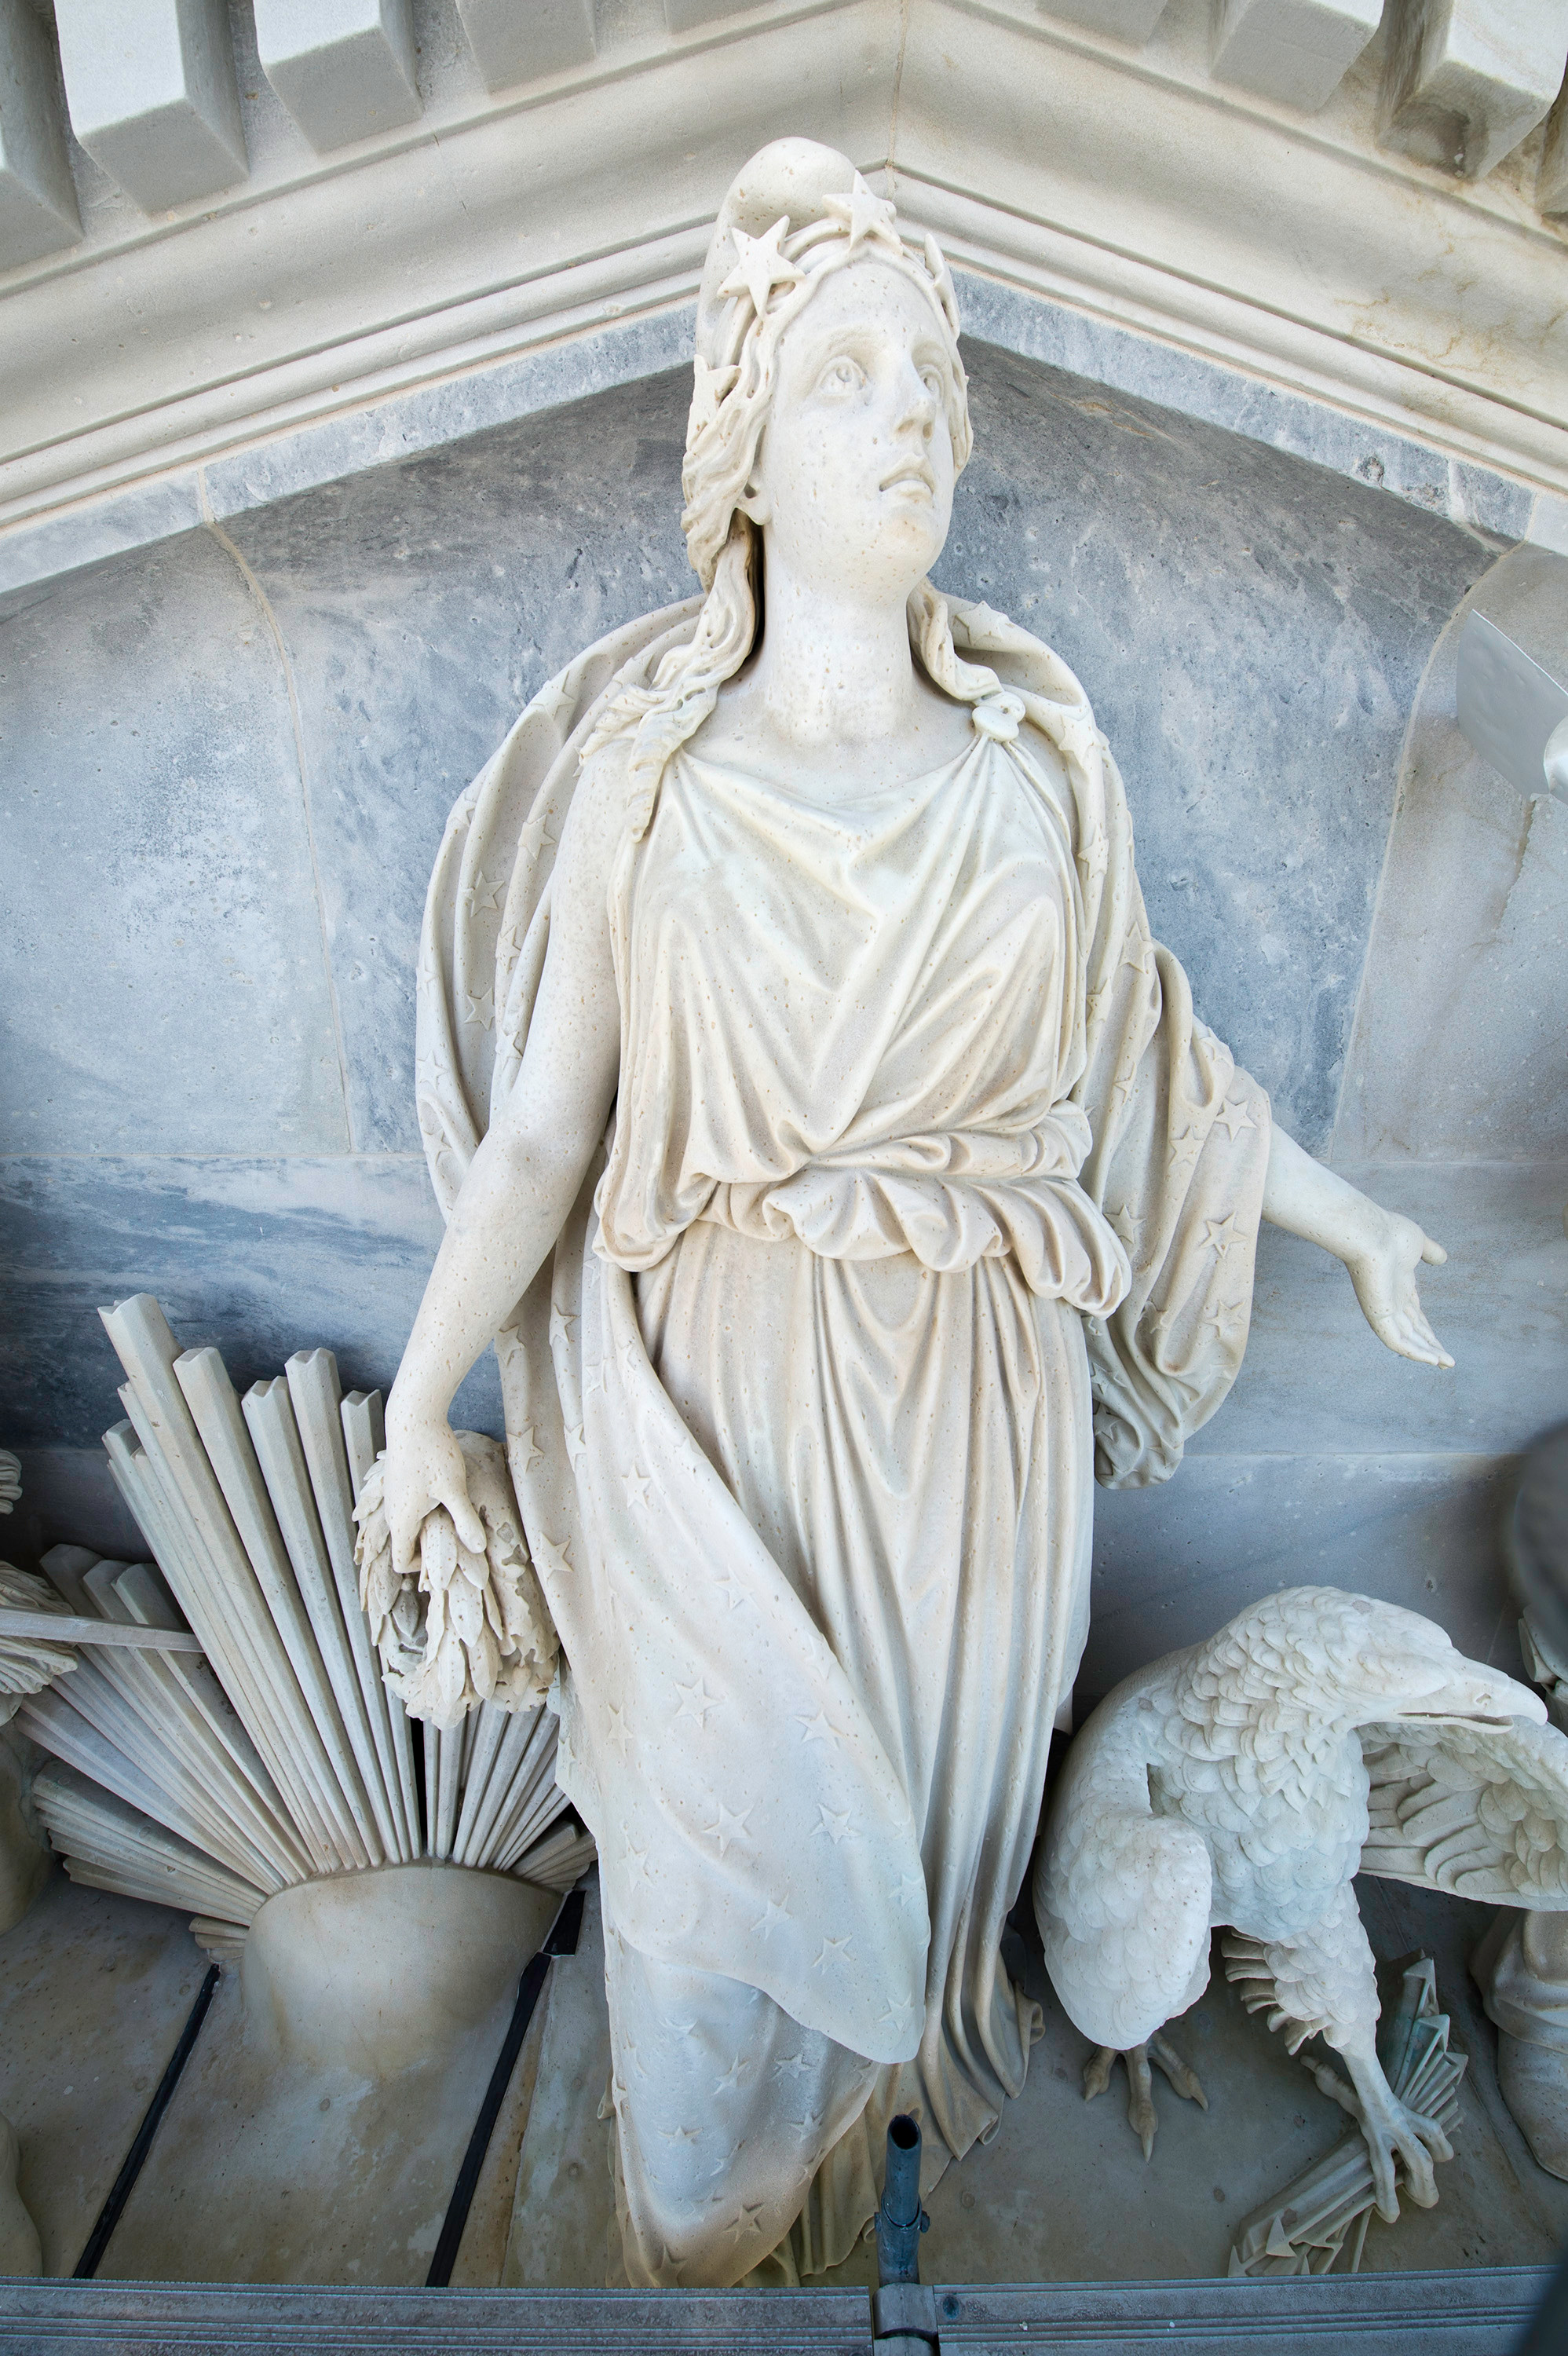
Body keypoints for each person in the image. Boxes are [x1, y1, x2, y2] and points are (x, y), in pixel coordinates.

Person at [383, 140, 1453, 2286]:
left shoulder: (1031, 776)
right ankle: (698, 2243)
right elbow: (539, 1144)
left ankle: (838, 2219)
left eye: (932, 383)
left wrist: (1351, 1226)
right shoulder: (647, 783)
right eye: (848, 373)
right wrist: (421, 1413)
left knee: (920, 1885)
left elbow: (1164, 1073)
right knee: (701, 1937)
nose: (908, 417)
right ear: (747, 450)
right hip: (723, 1419)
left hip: (973, 1436)